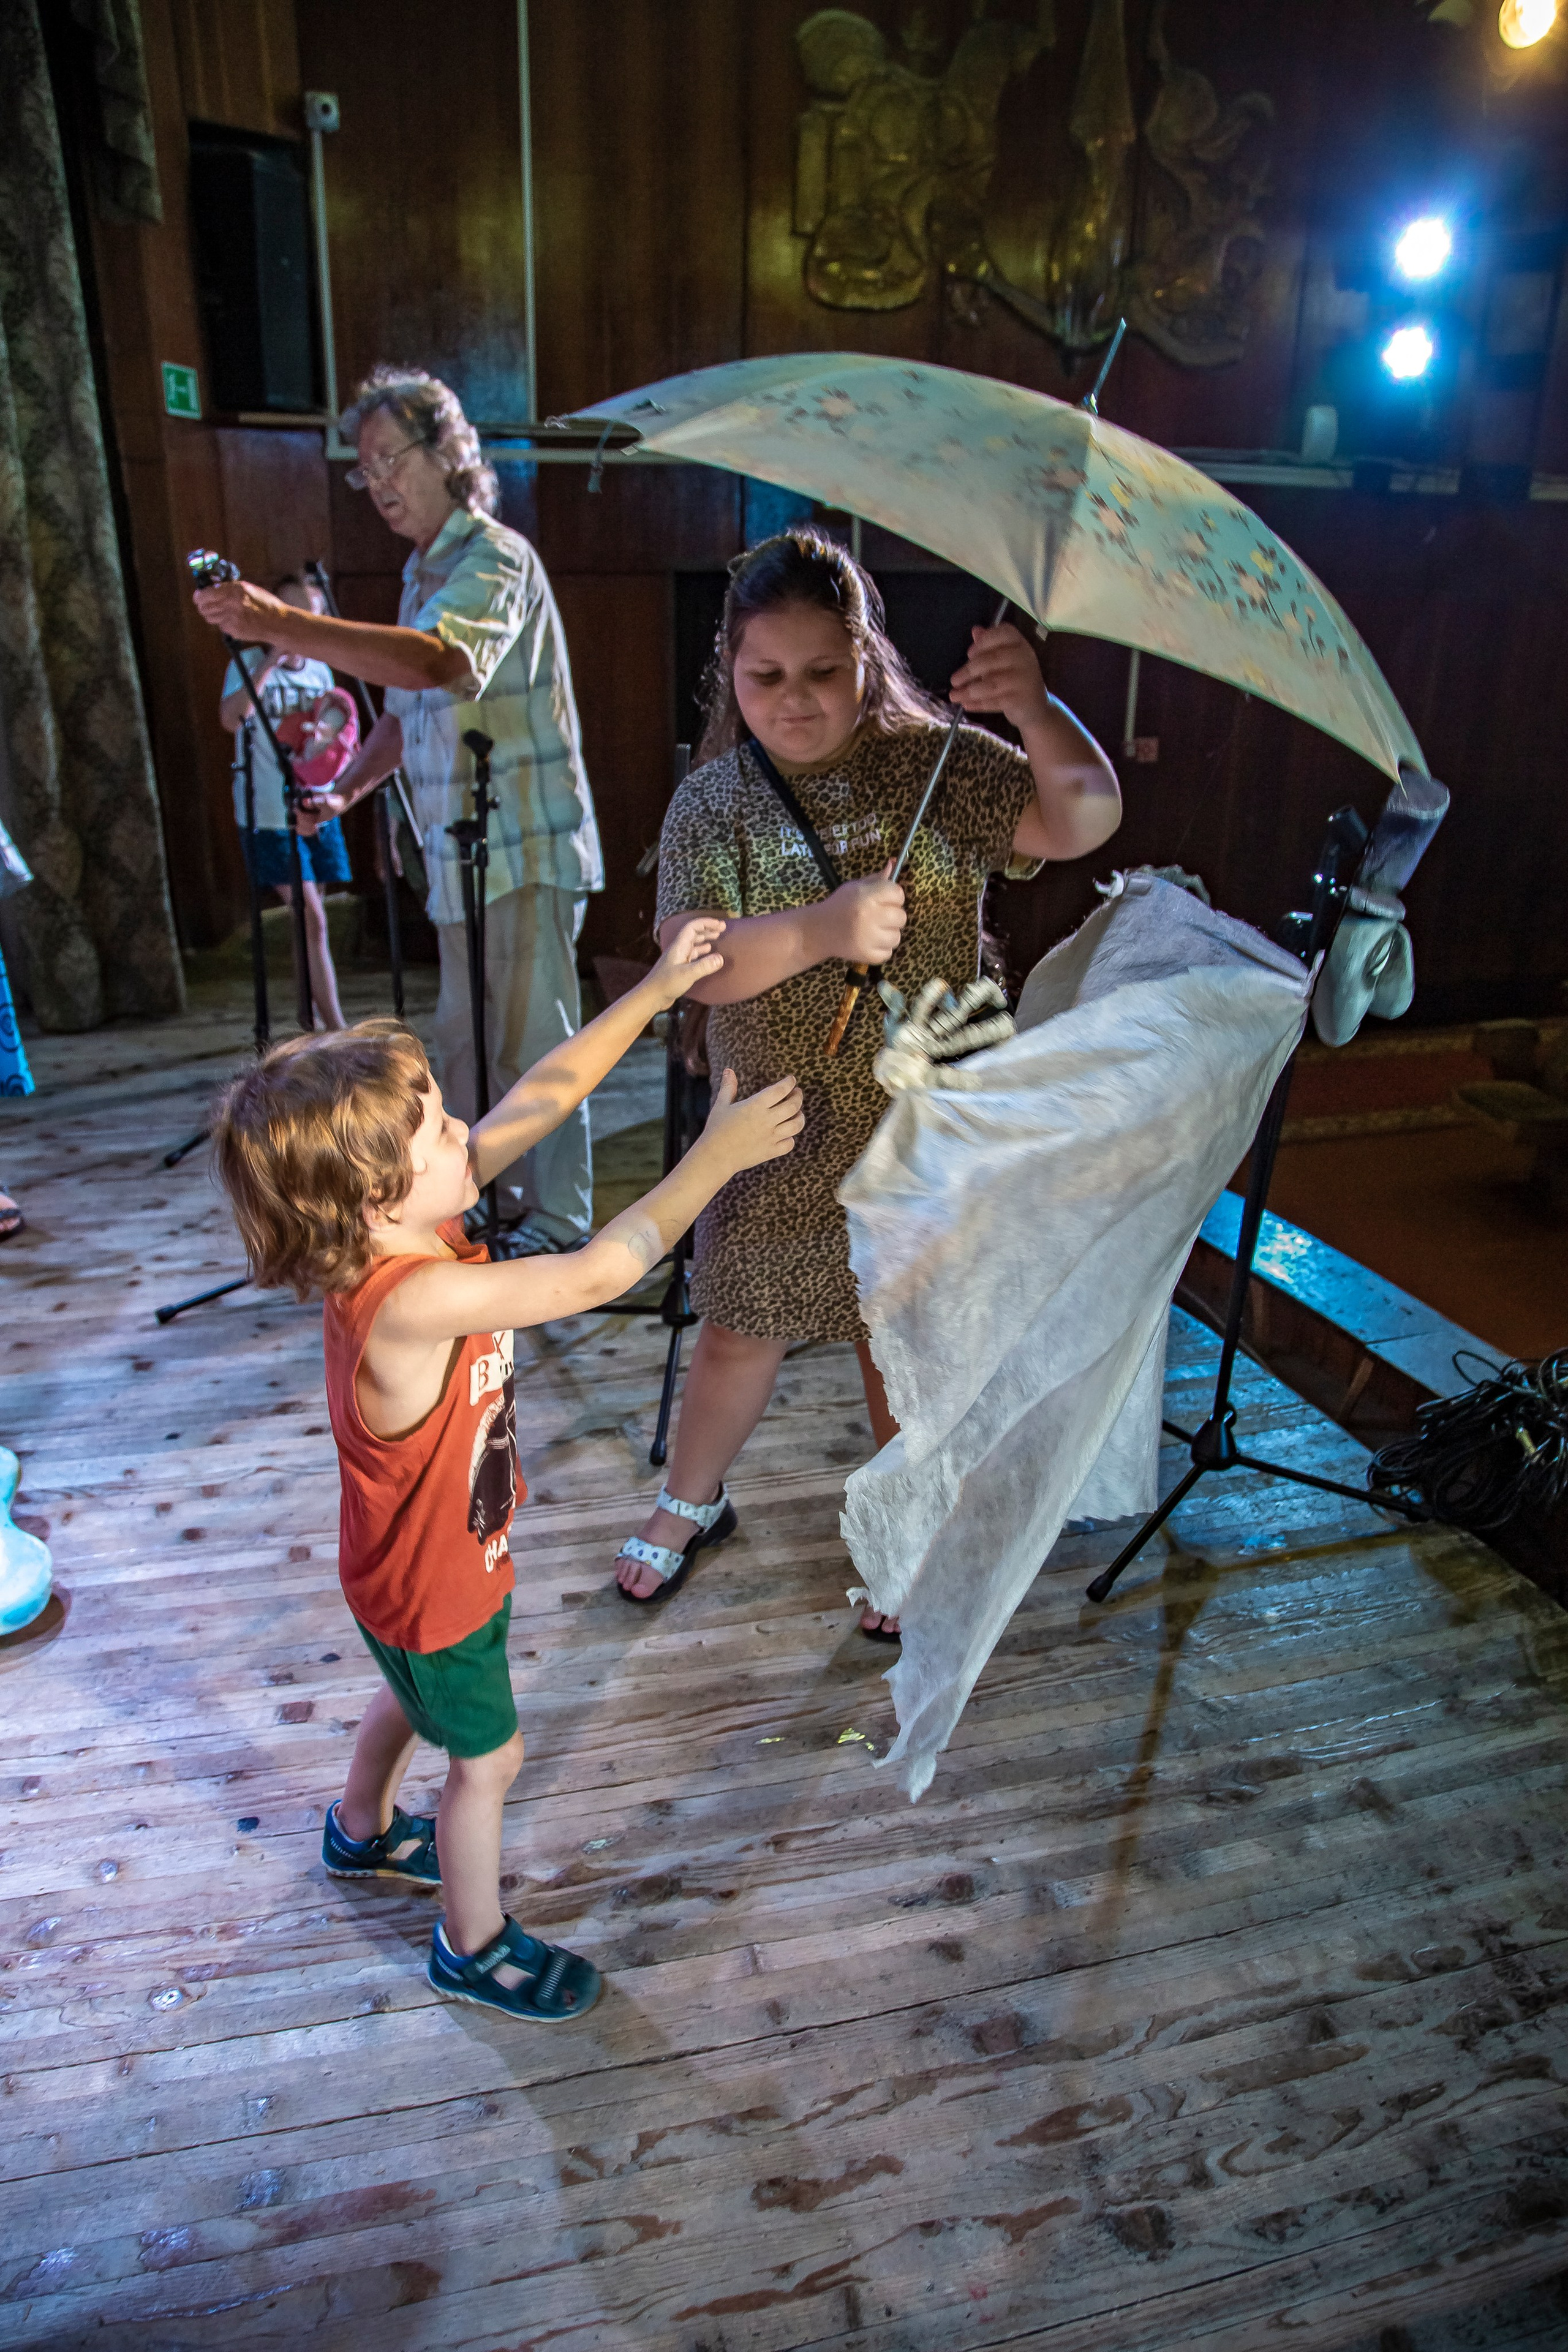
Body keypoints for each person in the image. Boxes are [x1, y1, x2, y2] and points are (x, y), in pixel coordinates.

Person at [211, 921, 804, 2022]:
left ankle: (360, 1832)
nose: (460, 1131)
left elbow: (542, 1096)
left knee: (411, 1692)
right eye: (436, 1127)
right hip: (433, 1589)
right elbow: (596, 1273)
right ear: (380, 1195)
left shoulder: (391, 1235)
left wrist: (662, 989)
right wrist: (713, 1159)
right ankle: (471, 1946)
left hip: (404, 1577)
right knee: (490, 1762)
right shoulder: (411, 1298)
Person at [613, 529, 1123, 1635]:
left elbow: (1084, 816)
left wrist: (1035, 707)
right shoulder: (717, 800)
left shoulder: (933, 761)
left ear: (866, 659)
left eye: (822, 673)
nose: (794, 700)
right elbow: (690, 961)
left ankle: (906, 1531)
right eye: (765, 677)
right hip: (776, 1120)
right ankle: (688, 1501)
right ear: (730, 672)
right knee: (740, 1321)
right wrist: (818, 929)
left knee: (899, 1336)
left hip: (923, 1113)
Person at [194, 366, 603, 1259]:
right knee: (465, 1048)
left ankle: (560, 1222)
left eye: (391, 460)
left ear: (450, 453)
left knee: (533, 1045)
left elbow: (436, 665)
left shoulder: (495, 556)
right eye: (364, 469)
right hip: (462, 856)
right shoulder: (424, 572)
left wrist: (279, 624)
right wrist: (343, 791)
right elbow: (400, 714)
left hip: (522, 844)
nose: (377, 483)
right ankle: (486, 1208)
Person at [218, 571, 352, 1030]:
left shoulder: (322, 672)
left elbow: (336, 737)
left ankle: (308, 1017)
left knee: (309, 923)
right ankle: (335, 1029)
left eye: (312, 618)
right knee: (311, 917)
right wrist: (271, 660)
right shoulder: (248, 663)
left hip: (314, 808)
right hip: (271, 814)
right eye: (293, 616)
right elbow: (231, 719)